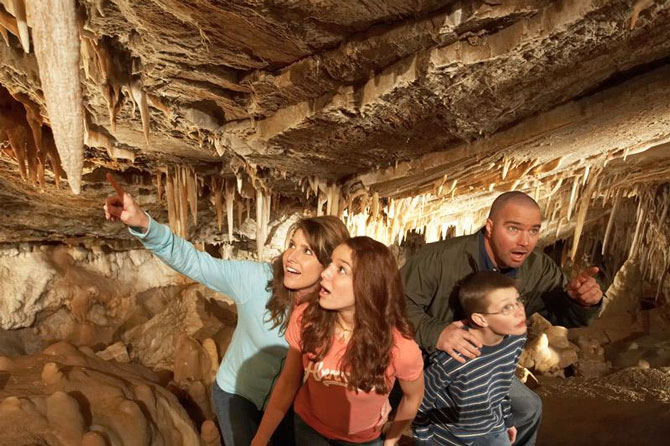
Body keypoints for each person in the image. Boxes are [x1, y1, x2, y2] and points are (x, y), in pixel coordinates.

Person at [103, 179, 349, 446]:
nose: (291, 256)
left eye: (307, 251)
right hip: (236, 395)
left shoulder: (335, 307)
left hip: (291, 404)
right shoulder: (256, 280)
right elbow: (195, 262)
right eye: (292, 244)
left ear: (328, 265)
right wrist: (144, 225)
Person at [402, 191, 603, 446]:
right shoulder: (437, 260)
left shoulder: (537, 267)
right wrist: (436, 333)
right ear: (490, 227)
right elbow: (393, 305)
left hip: (485, 365)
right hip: (425, 361)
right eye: (514, 229)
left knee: (528, 409)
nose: (525, 241)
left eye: (533, 231)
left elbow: (562, 313)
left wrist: (582, 302)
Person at [251, 236, 425, 446]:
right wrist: (261, 437)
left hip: (362, 441)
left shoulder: (399, 346)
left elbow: (413, 397)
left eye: (341, 269)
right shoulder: (306, 318)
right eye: (330, 263)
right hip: (309, 429)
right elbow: (288, 381)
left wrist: (390, 441)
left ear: (368, 284)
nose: (325, 273)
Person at [414, 271, 528, 446]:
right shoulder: (456, 355)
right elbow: (422, 397)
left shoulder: (516, 339)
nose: (520, 312)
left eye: (518, 301)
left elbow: (501, 385)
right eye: (507, 308)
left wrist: (507, 419)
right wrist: (424, 438)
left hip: (493, 429)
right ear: (480, 319)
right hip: (450, 437)